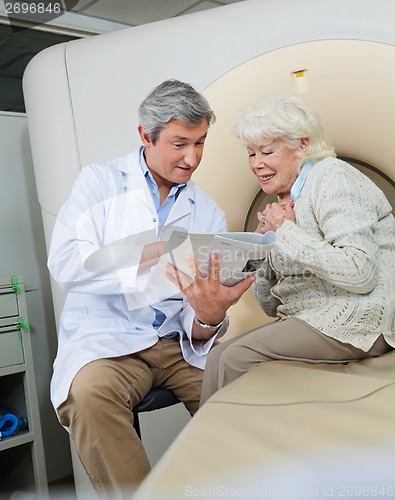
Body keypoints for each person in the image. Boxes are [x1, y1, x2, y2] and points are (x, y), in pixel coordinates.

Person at [47, 79, 254, 498]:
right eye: (180, 143)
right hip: (109, 341)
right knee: (88, 397)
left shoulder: (207, 212)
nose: (192, 158)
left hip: (177, 345)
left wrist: (210, 317)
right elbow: (66, 263)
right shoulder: (100, 184)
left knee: (244, 396)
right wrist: (147, 253)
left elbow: (196, 322)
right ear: (145, 134)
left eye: (200, 143)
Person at [199, 95, 395, 405]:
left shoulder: (332, 177)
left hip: (364, 318)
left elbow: (362, 272)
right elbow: (270, 306)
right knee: (217, 355)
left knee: (235, 358)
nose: (256, 163)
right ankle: (218, 450)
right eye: (250, 153)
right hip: (311, 318)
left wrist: (287, 233)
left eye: (267, 151)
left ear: (302, 145)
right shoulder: (279, 205)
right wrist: (262, 249)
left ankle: (219, 451)